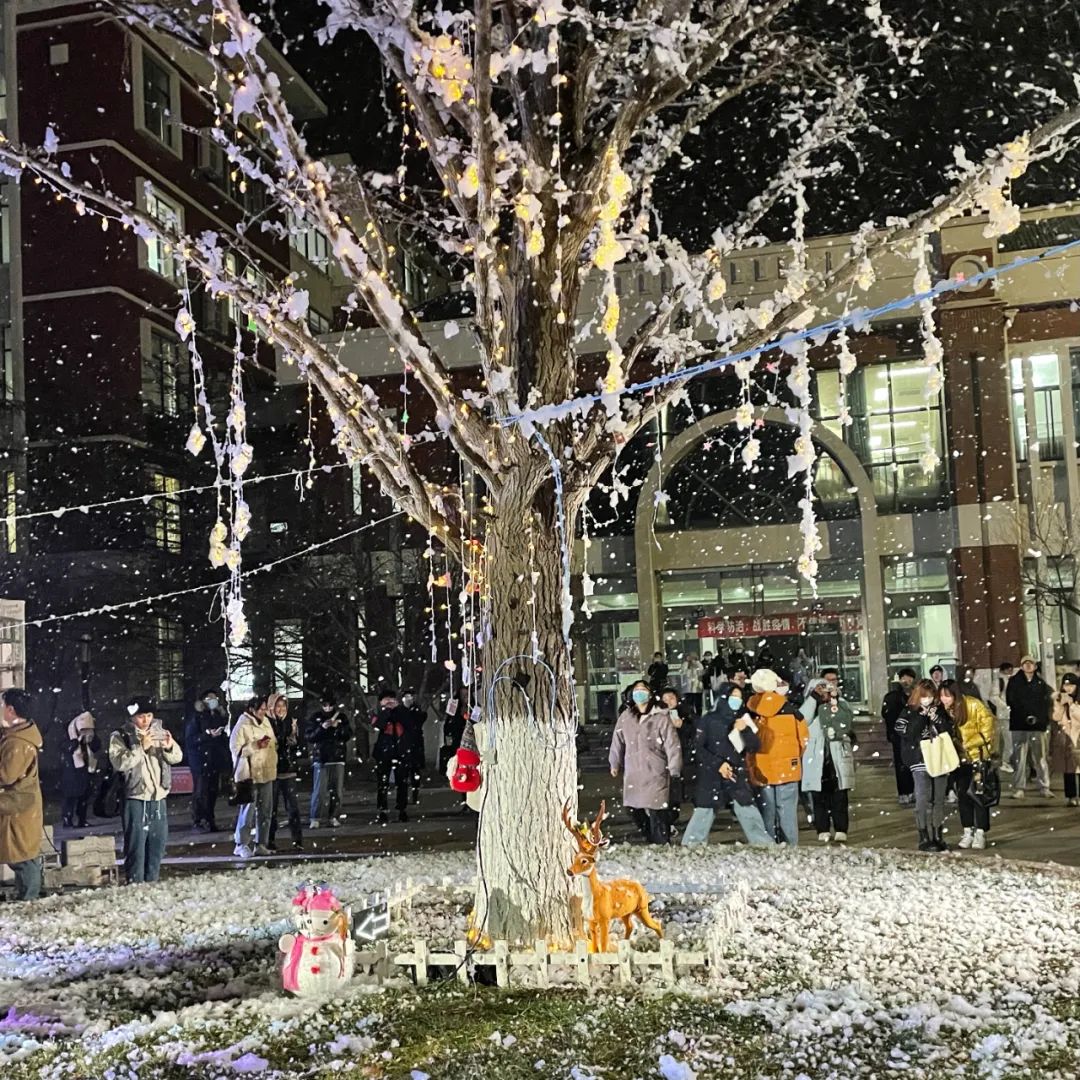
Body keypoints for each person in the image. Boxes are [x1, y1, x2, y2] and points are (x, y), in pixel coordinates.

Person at [682, 682, 772, 847]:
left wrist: (744, 730)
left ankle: (762, 843)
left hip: (735, 772)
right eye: (733, 697)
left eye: (739, 697)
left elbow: (754, 746)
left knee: (746, 807)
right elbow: (699, 748)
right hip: (711, 773)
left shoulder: (743, 719)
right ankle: (691, 844)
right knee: (705, 810)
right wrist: (718, 764)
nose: (736, 700)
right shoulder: (708, 719)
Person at [108, 697, 182, 884]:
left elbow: (177, 757)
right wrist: (141, 748)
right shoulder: (120, 735)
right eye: (141, 716)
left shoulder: (160, 732)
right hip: (135, 796)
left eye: (149, 715)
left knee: (157, 844)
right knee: (136, 845)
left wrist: (169, 747)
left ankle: (152, 881)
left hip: (158, 796)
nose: (146, 720)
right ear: (132, 717)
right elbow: (120, 763)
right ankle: (135, 883)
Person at [609, 680, 682, 844]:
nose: (639, 693)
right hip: (634, 771)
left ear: (650, 694)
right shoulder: (626, 717)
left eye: (643, 690)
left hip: (656, 770)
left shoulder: (660, 717)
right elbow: (617, 741)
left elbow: (672, 744)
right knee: (633, 808)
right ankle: (650, 836)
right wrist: (614, 762)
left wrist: (674, 767)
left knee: (658, 810)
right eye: (636, 690)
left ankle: (661, 842)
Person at [746, 669, 809, 846]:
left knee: (767, 810)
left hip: (762, 767)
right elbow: (804, 739)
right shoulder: (792, 711)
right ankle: (790, 845)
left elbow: (746, 741)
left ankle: (768, 845)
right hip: (788, 767)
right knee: (787, 810)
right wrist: (794, 755)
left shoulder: (751, 710)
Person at [939, 679, 996, 850]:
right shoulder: (943, 711)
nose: (944, 699)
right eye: (941, 696)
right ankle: (967, 830)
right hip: (958, 760)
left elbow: (988, 729)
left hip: (977, 758)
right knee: (963, 795)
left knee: (979, 795)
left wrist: (968, 744)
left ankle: (980, 832)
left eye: (947, 696)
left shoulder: (973, 705)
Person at [895, 679, 952, 852]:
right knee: (922, 798)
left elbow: (948, 731)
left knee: (939, 799)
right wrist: (921, 715)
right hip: (919, 758)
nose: (927, 699)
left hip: (939, 757)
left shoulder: (939, 711)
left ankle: (938, 834)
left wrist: (937, 719)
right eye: (924, 696)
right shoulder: (909, 711)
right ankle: (923, 835)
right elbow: (908, 733)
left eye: (930, 696)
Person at [0, 688, 45, 900]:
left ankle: (29, 899)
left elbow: (6, 775)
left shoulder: (18, 743)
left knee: (23, 857)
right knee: (23, 855)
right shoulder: (19, 736)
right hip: (19, 805)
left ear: (10, 710)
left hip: (17, 806)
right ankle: (27, 896)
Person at [800, 674, 856, 842]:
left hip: (837, 757)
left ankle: (841, 828)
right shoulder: (809, 708)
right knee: (818, 796)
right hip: (816, 759)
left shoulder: (839, 704)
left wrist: (835, 699)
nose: (824, 693)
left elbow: (847, 719)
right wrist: (814, 699)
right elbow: (802, 719)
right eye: (820, 689)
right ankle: (822, 828)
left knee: (840, 795)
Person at [229, 695, 277, 858]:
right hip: (250, 774)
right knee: (247, 811)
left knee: (265, 811)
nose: (264, 712)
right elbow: (236, 750)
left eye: (265, 709)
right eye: (261, 709)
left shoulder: (265, 722)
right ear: (252, 709)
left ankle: (261, 843)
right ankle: (241, 844)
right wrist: (255, 745)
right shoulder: (242, 725)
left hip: (266, 771)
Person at [1006, 655, 1053, 799]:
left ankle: (1044, 786)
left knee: (1040, 757)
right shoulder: (1014, 682)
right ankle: (1019, 788)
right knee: (1019, 758)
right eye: (1025, 663)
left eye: (1030, 663)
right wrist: (1026, 714)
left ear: (1035, 666)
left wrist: (1038, 717)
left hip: (1038, 725)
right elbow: (1011, 701)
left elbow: (1046, 703)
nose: (1028, 666)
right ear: (1021, 666)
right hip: (1019, 724)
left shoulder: (1041, 683)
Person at [306, 697, 352, 829]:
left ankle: (334, 816)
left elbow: (348, 734)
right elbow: (310, 737)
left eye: (330, 706)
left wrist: (338, 727)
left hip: (337, 758)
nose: (328, 708)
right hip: (321, 758)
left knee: (337, 791)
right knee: (319, 791)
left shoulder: (341, 717)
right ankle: (315, 817)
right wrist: (322, 727)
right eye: (325, 705)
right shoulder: (316, 717)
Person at [189, 690, 230, 832]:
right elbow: (191, 739)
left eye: (215, 698)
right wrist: (206, 735)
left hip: (214, 759)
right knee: (201, 790)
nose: (213, 701)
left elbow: (223, 739)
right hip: (200, 760)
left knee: (212, 791)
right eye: (209, 698)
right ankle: (199, 819)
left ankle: (210, 818)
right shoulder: (197, 717)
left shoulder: (218, 715)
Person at [267, 692, 303, 852]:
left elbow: (297, 745)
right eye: (277, 706)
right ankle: (269, 840)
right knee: (271, 809)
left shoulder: (291, 722)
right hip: (272, 770)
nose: (281, 709)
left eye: (283, 706)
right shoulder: (267, 723)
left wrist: (294, 741)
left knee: (293, 807)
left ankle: (297, 840)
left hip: (288, 769)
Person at [882, 668, 917, 806]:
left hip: (915, 736)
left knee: (914, 764)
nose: (907, 681)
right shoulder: (892, 696)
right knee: (901, 764)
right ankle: (903, 792)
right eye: (904, 678)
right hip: (899, 737)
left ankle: (914, 791)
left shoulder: (917, 695)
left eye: (909, 678)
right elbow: (887, 714)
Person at [60, 711, 100, 828]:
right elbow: (67, 748)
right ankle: (67, 819)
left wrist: (91, 738)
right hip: (71, 771)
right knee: (70, 797)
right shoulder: (68, 735)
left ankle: (82, 819)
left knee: (84, 796)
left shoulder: (91, 738)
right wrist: (77, 740)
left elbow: (97, 747)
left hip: (86, 769)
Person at [659, 686, 696, 814]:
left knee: (688, 787)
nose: (668, 701)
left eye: (671, 698)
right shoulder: (658, 716)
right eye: (665, 699)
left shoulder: (686, 713)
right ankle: (671, 816)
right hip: (666, 757)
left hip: (685, 756)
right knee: (670, 792)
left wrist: (682, 726)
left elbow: (695, 731)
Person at [1050, 674, 1080, 807]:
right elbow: (1056, 717)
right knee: (1068, 769)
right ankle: (1071, 796)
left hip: (1078, 736)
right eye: (1065, 685)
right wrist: (1059, 705)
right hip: (1066, 738)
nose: (1068, 689)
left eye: (1071, 685)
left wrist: (1072, 705)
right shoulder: (1059, 698)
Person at [400, 689, 427, 805]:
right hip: (403, 746)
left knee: (415, 772)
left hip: (415, 746)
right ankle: (404, 796)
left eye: (410, 697)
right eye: (406, 697)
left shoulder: (416, 711)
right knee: (403, 774)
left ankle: (415, 794)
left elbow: (420, 719)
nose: (408, 699)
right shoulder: (400, 712)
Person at [988, 661, 1016, 773]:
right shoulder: (999, 681)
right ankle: (1006, 761)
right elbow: (993, 697)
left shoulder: (1012, 681)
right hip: (1004, 715)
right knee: (1009, 740)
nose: (1010, 671)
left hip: (1011, 715)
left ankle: (1009, 761)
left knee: (1012, 740)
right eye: (1008, 669)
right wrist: (1006, 706)